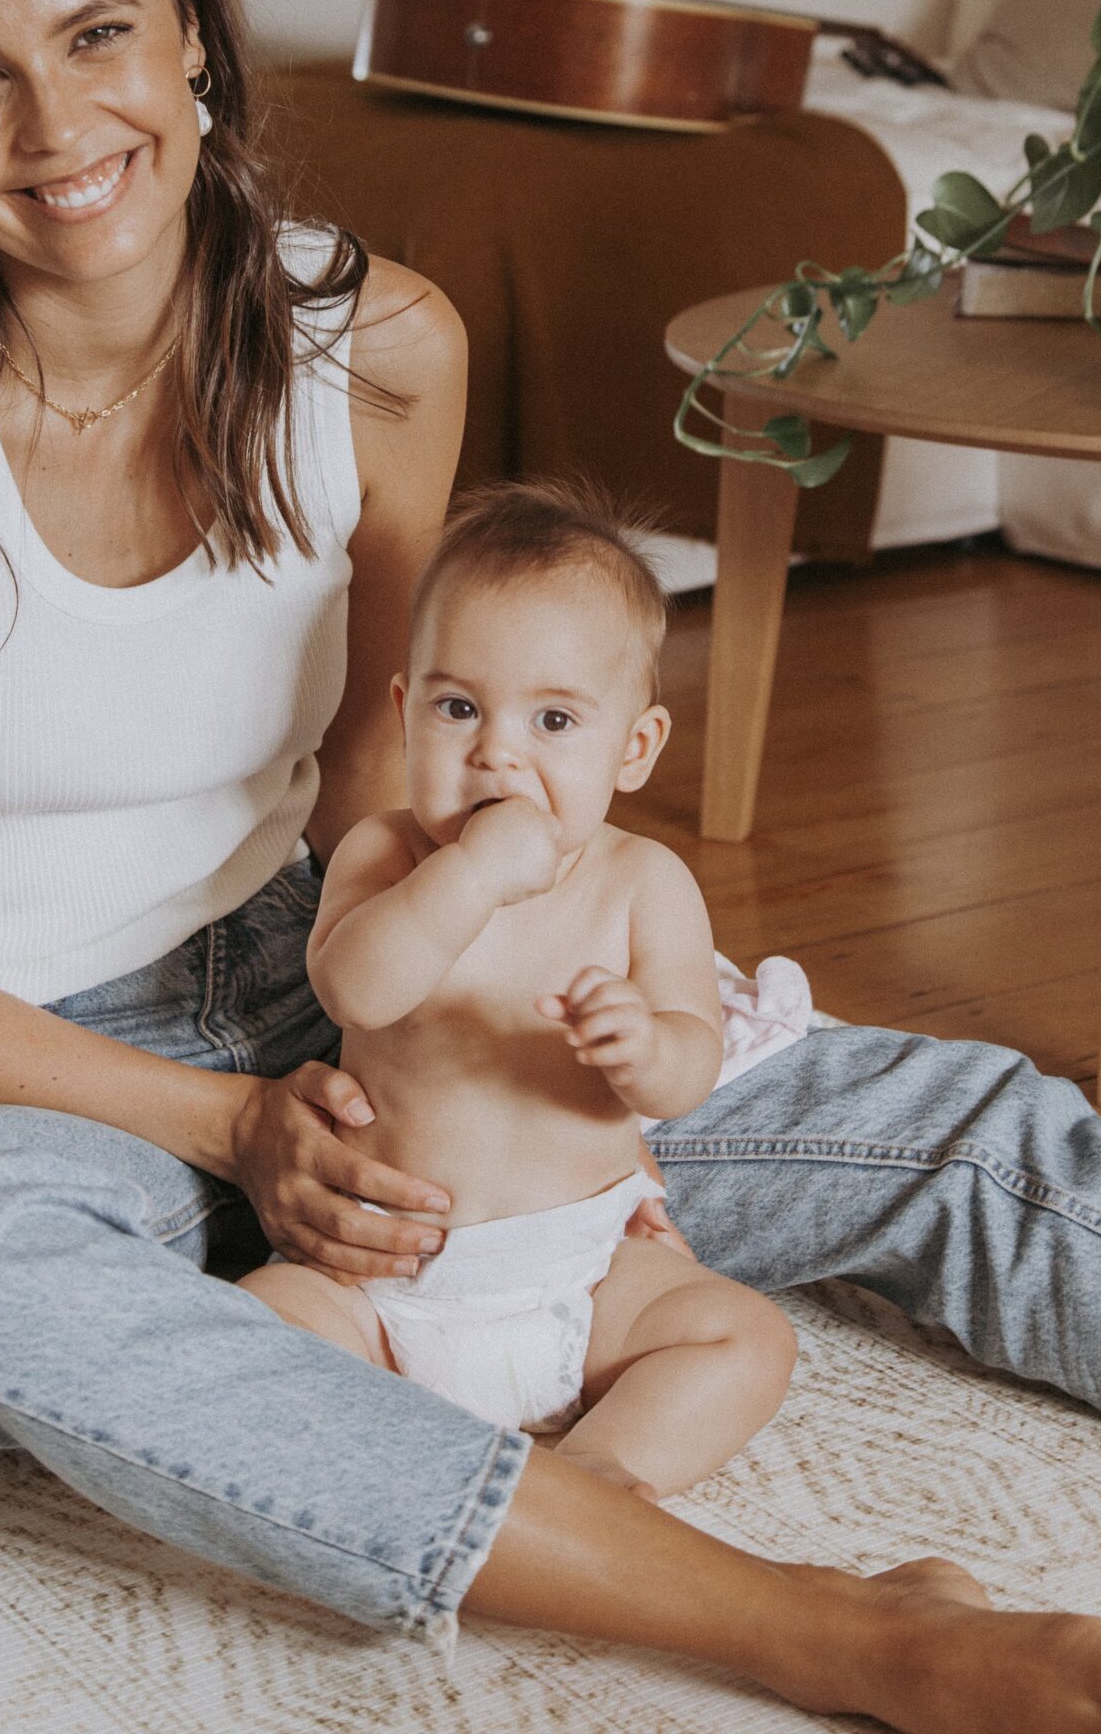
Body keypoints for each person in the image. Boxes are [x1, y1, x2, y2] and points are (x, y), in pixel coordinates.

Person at [0, 0, 1101, 1732]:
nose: (55, 127)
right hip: (14, 1084)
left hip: (329, 977)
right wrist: (223, 1130)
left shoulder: (377, 349)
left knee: (952, 1138)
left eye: (97, 33)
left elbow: (383, 758)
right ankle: (841, 1634)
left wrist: (512, 1026)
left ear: (191, 32)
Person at [243, 479, 798, 1501]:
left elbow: (690, 1063)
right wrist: (469, 876)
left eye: (553, 719)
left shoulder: (642, 882)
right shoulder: (383, 854)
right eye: (458, 708)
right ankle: (399, 1464)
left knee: (746, 1337)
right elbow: (356, 990)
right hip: (380, 1281)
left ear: (633, 748)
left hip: (579, 1272)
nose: (497, 750)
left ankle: (598, 1476)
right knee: (252, 1331)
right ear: (405, 713)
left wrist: (645, 1048)